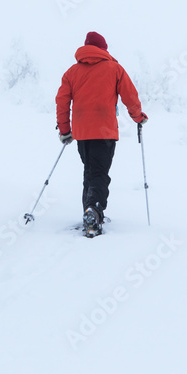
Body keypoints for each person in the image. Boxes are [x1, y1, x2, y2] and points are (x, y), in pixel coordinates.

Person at [55, 32, 147, 236]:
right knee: (98, 173)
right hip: (104, 131)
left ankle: (89, 212)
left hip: (82, 132)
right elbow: (130, 96)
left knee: (90, 171)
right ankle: (94, 211)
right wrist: (138, 117)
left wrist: (65, 130)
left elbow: (62, 101)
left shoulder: (72, 72)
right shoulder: (114, 69)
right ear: (103, 49)